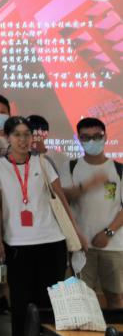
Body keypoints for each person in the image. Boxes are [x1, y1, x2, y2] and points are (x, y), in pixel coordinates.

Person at [0, 115, 86, 336]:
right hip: (17, 245)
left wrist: (76, 231)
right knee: (21, 303)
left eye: (27, 134)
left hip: (51, 242)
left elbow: (61, 199)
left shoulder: (43, 162)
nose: (23, 140)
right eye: (17, 135)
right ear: (7, 137)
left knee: (50, 302)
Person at [61, 117, 123, 309]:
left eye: (97, 136)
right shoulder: (70, 167)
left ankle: (115, 331)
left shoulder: (118, 169)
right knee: (81, 300)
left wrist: (108, 233)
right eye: (86, 137)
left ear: (105, 137)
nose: (92, 141)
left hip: (114, 245)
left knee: (115, 298)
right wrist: (88, 185)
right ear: (78, 139)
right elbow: (62, 198)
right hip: (81, 246)